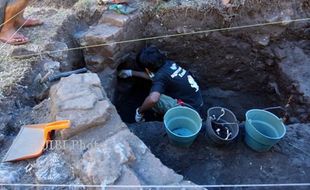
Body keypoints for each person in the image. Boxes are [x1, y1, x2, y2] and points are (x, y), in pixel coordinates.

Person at [118, 46, 204, 122]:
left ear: (147, 69)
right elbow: (155, 77)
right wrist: (131, 73)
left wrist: (140, 112)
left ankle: (161, 116)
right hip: (196, 102)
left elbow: (153, 99)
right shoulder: (169, 64)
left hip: (190, 111)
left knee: (157, 99)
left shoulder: (160, 77)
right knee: (157, 90)